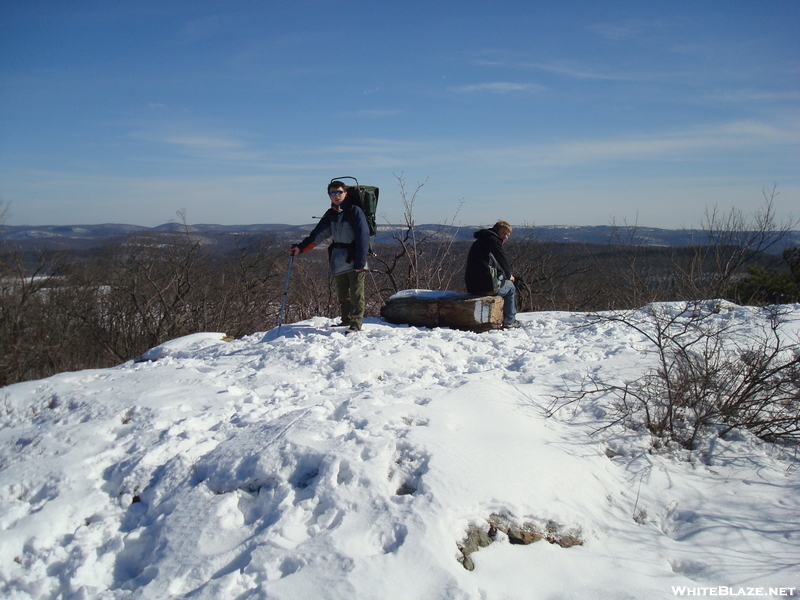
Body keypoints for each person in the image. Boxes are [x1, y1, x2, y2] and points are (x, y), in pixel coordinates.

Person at [289, 181, 370, 333]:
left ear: (345, 193)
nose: (336, 196)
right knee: (343, 293)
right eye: (333, 193)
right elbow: (318, 234)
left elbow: (363, 237)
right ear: (329, 196)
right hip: (339, 258)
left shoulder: (355, 211)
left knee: (357, 292)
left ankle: (356, 323)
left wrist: (360, 262)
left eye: (339, 192)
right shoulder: (332, 213)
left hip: (355, 257)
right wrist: (300, 248)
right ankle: (346, 319)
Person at [464, 220, 520, 329]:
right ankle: (510, 320)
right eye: (503, 233)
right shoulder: (493, 241)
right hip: (485, 286)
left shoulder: (481, 241)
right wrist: (509, 276)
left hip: (472, 286)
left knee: (504, 283)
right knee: (510, 288)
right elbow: (502, 261)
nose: (505, 237)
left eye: (508, 235)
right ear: (496, 230)